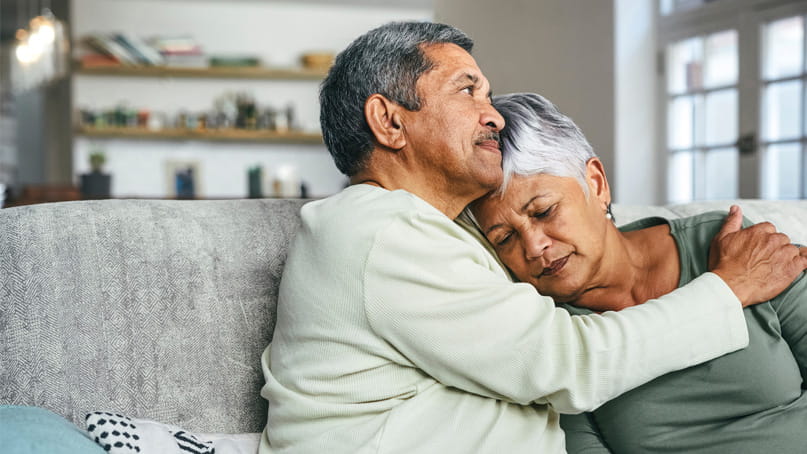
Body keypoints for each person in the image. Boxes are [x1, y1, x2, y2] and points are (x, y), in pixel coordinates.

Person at [259, 22, 807, 454]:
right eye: (467, 90)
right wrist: (728, 288)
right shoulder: (378, 233)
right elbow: (570, 364)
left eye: (488, 94)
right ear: (390, 121)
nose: (492, 114)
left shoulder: (434, 237)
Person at [469, 92, 807, 453]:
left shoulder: (725, 244)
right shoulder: (545, 331)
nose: (534, 246)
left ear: (596, 184)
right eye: (504, 238)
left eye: (543, 211)